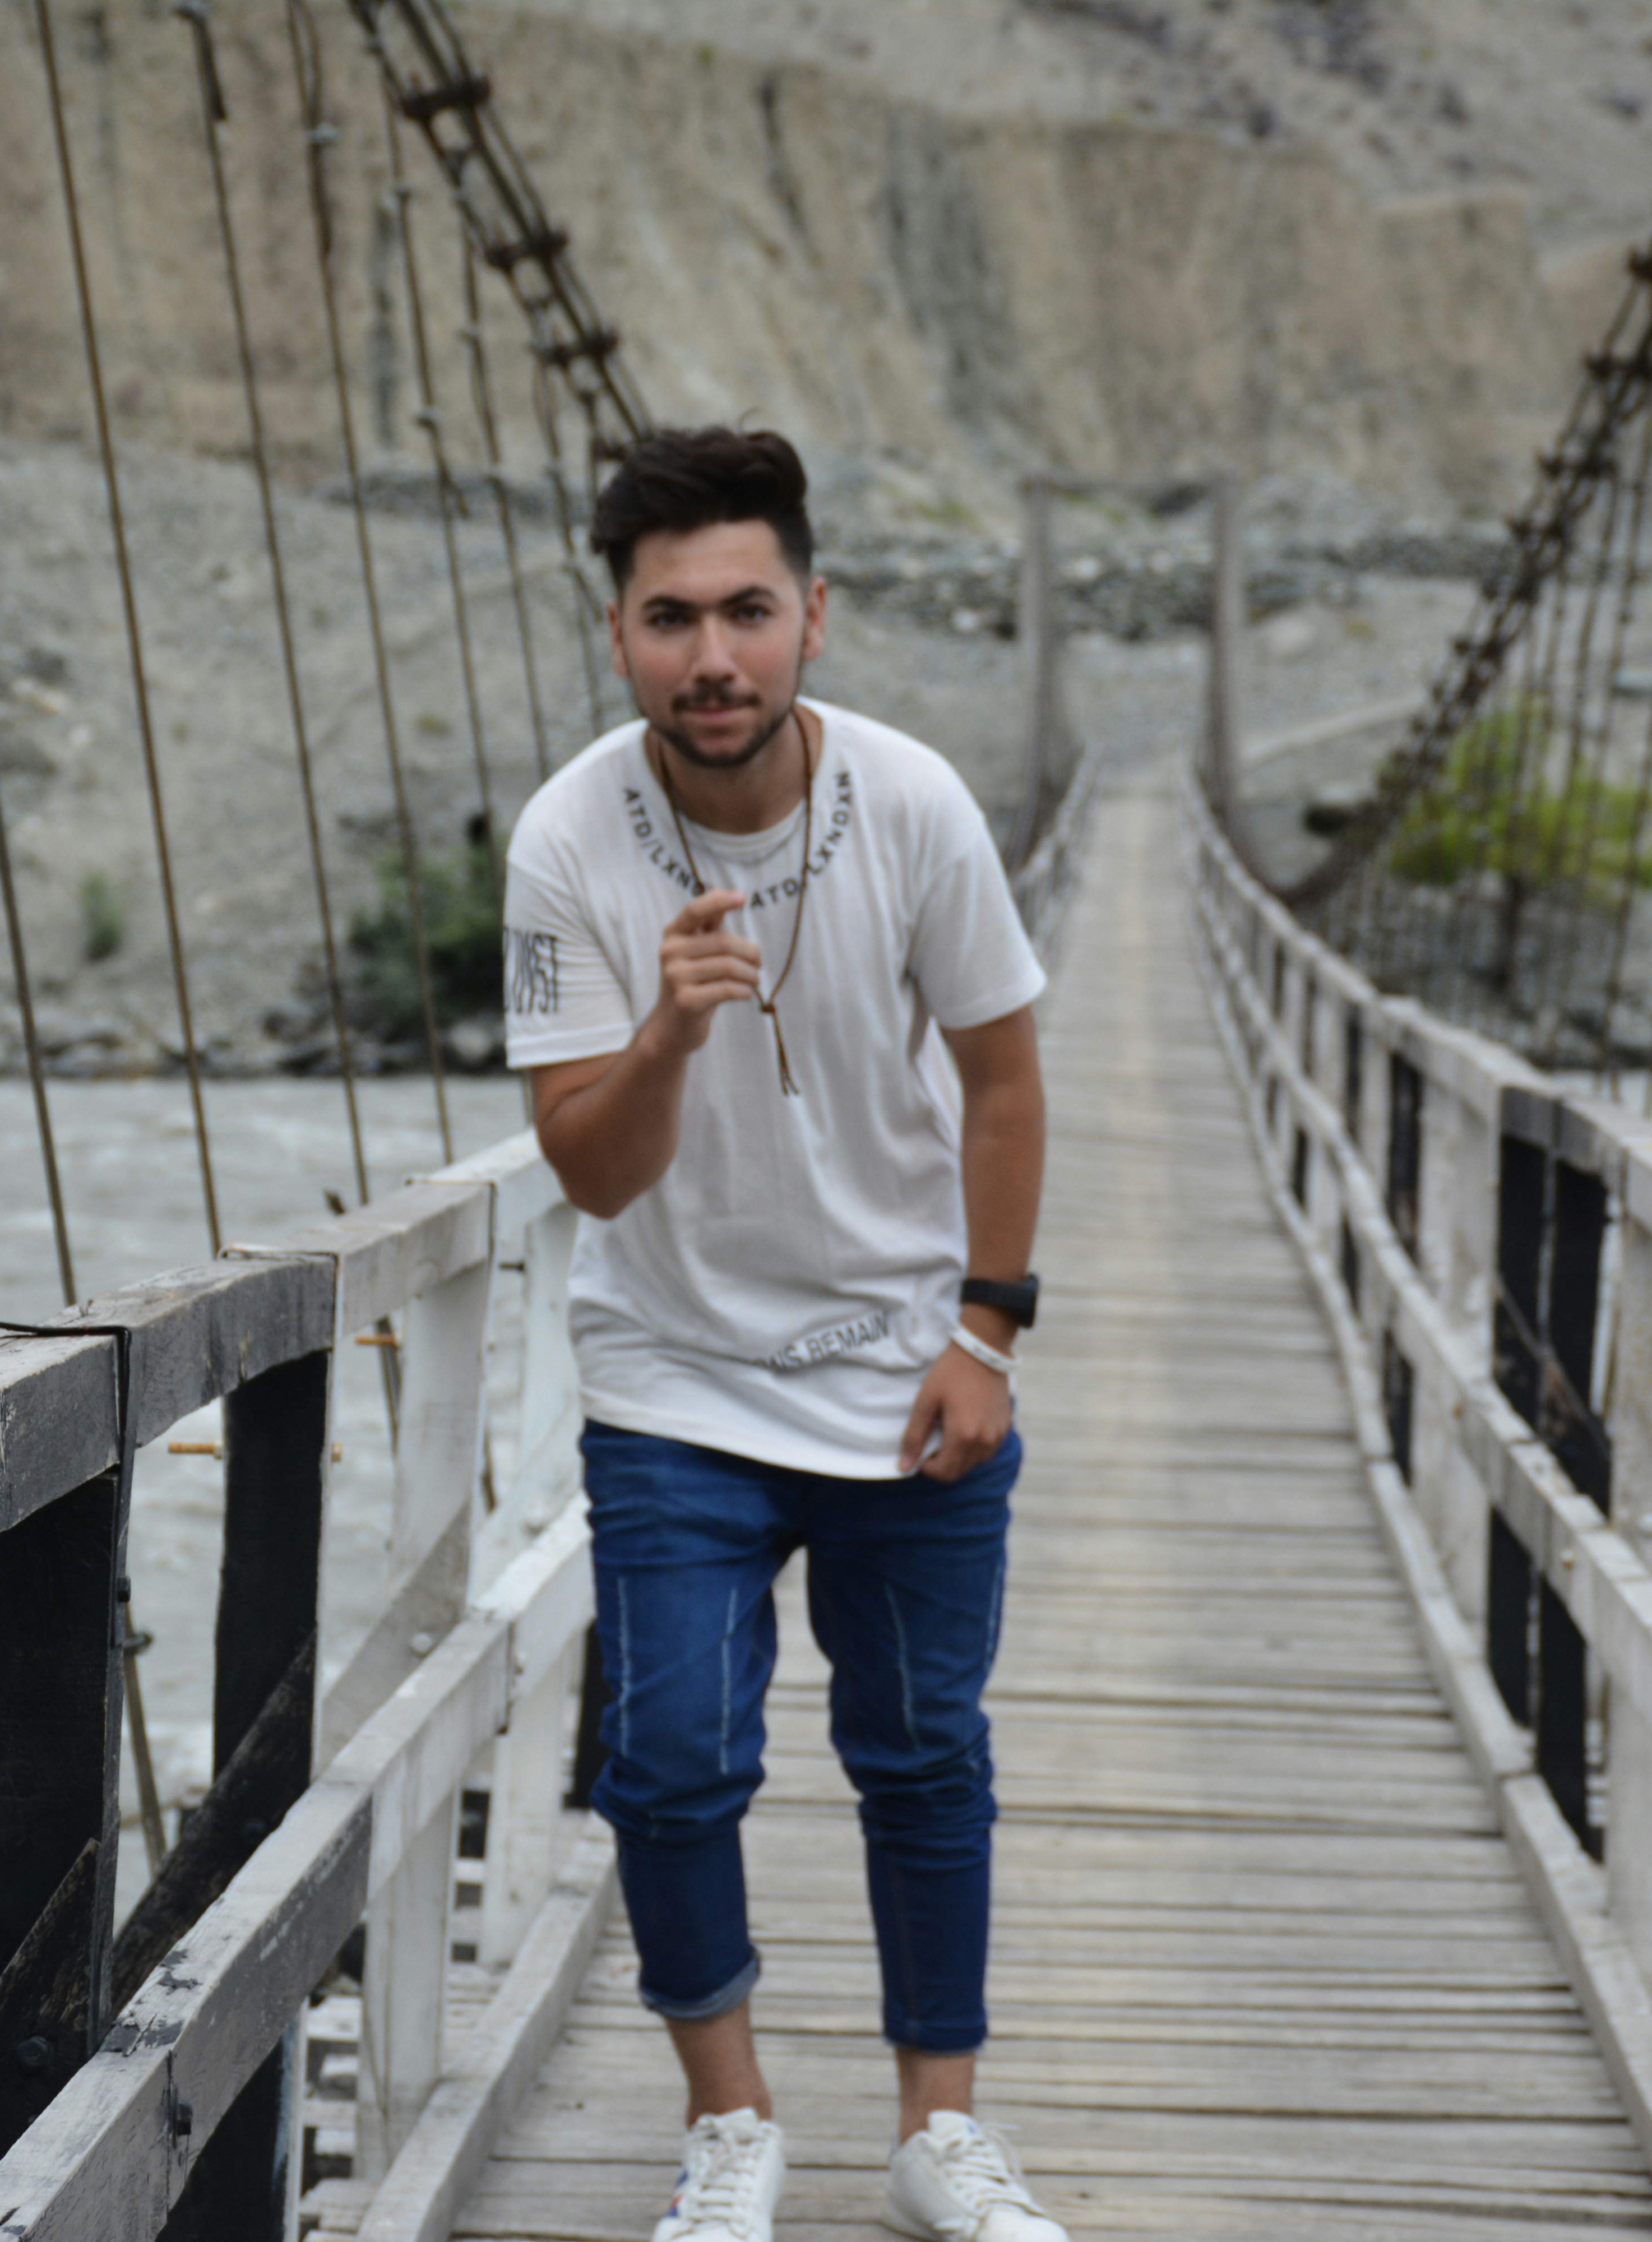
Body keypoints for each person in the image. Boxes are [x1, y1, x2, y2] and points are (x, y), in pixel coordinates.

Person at [503, 426, 1068, 2242]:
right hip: (674, 1377)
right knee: (671, 1757)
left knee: (923, 1754)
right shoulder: (565, 839)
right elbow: (592, 1172)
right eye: (671, 618)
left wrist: (987, 1333)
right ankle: (729, 2127)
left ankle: (937, 2136)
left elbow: (1003, 1078)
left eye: (748, 610)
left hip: (906, 1366)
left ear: (815, 615)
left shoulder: (914, 804)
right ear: (618, 634)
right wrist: (668, 1030)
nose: (714, 655)